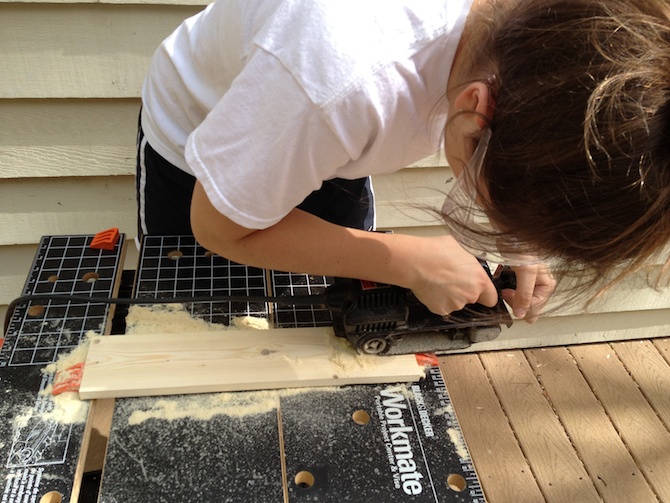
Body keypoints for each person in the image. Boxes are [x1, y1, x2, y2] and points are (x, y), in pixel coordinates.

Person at [136, 0, 670, 324]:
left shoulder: (549, 46)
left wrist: (527, 238)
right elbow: (218, 228)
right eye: (496, 203)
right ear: (475, 108)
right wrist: (403, 260)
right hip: (203, 143)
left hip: (320, 130)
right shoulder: (336, 84)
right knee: (202, 321)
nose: (500, 223)